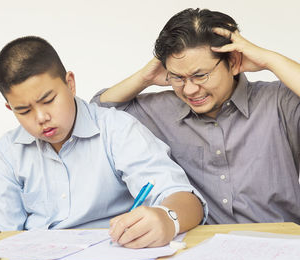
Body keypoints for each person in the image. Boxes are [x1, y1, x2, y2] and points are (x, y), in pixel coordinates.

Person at [0, 36, 206, 248]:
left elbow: (186, 200)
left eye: (49, 100)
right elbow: (0, 239)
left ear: (70, 83)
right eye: (23, 110)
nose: (41, 118)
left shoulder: (117, 130)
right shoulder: (8, 153)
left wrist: (167, 218)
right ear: (10, 108)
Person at [92, 8, 300, 225]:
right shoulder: (162, 109)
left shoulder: (279, 101)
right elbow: (99, 113)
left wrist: (270, 60)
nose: (190, 90)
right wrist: (144, 78)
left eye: (200, 76)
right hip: (200, 251)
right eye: (178, 77)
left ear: (234, 61)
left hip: (281, 246)